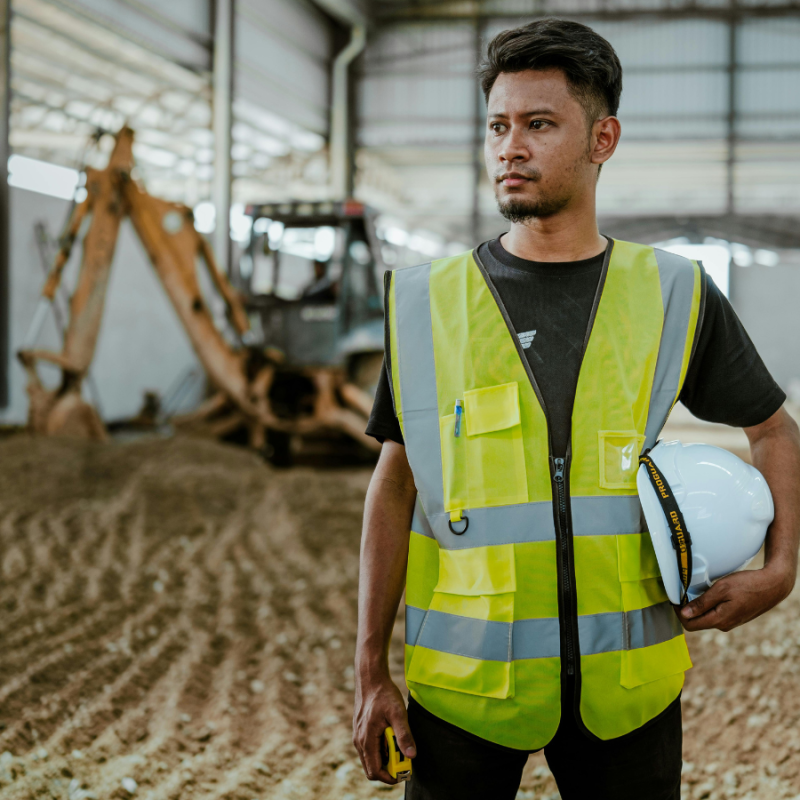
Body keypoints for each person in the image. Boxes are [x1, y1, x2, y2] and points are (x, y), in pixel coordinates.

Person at [353, 18, 800, 800]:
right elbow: (395, 483)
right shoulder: (426, 305)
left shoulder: (673, 292)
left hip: (626, 689)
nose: (509, 148)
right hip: (464, 689)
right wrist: (369, 672)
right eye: (497, 126)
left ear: (603, 139)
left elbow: (773, 429)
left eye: (538, 124)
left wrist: (782, 569)